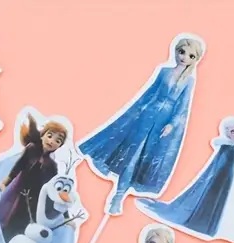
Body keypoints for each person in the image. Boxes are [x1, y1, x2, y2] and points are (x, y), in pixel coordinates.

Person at [79, 36, 204, 214]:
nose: (184, 57)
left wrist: (172, 124)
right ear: (176, 51)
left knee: (142, 160)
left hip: (163, 124)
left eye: (191, 56)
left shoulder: (189, 81)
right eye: (182, 52)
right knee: (131, 155)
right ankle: (118, 198)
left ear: (195, 59)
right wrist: (136, 112)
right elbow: (149, 93)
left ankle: (119, 197)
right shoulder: (164, 71)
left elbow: (183, 106)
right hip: (146, 116)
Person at [0, 116, 67, 242]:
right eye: (49, 136)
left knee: (23, 223)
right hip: (17, 191)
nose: (52, 141)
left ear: (59, 146)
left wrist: (65, 214)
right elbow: (18, 167)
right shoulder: (31, 148)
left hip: (34, 200)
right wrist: (4, 183)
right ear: (42, 135)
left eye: (58, 140)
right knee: (6, 216)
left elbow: (55, 189)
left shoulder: (52, 166)